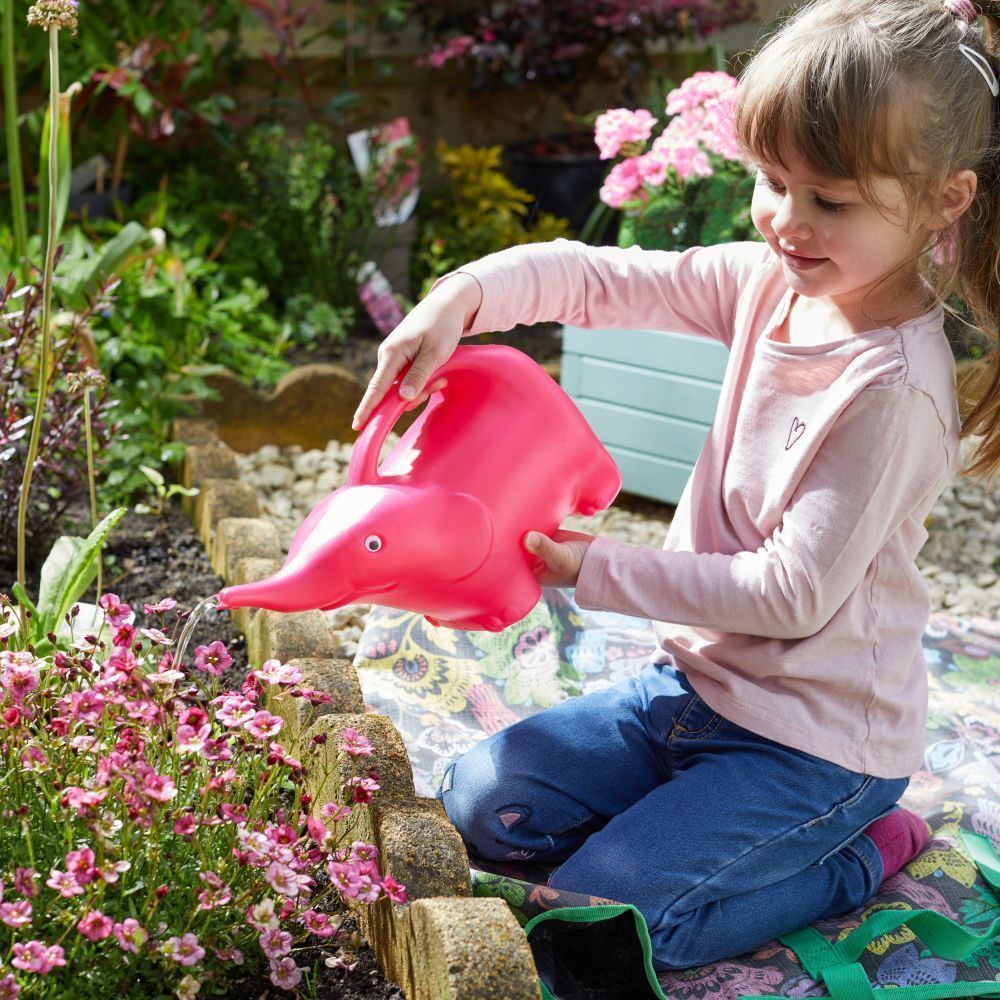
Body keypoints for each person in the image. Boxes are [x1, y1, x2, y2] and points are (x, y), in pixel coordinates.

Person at [351, 0, 1000, 971]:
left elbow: (788, 595)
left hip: (817, 747)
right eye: (772, 182)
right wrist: (464, 297)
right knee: (481, 803)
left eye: (828, 200)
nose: (786, 220)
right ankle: (682, 837)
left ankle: (855, 857)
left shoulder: (894, 393)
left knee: (604, 925)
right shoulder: (767, 282)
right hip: (692, 690)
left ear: (943, 202)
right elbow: (603, 281)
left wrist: (593, 568)